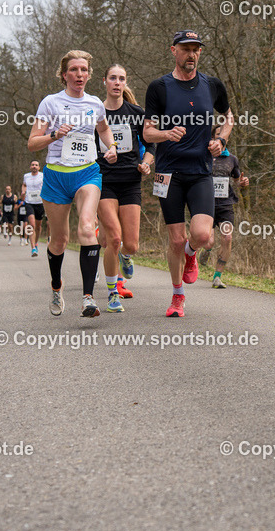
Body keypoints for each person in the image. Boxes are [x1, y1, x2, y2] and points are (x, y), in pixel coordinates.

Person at [142, 30, 233, 317]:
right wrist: (166, 133)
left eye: (196, 49)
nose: (191, 54)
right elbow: (147, 132)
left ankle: (191, 254)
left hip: (200, 171)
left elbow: (229, 118)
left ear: (200, 52)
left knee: (202, 234)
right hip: (168, 173)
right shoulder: (159, 87)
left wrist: (221, 141)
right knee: (175, 240)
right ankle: (177, 296)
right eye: (186, 49)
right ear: (174, 51)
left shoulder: (212, 85)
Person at [27, 50, 118, 317]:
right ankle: (57, 285)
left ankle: (88, 298)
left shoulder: (95, 104)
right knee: (59, 241)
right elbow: (32, 143)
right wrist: (54, 135)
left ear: (89, 75)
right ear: (64, 74)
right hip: (56, 176)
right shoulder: (50, 103)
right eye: (74, 70)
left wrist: (111, 146)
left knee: (87, 228)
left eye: (84, 70)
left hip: (87, 173)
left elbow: (103, 129)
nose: (79, 74)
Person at [96, 64, 154, 312]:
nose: (117, 82)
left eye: (121, 79)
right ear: (104, 81)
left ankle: (125, 255)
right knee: (114, 239)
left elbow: (151, 145)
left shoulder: (136, 113)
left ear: (125, 83)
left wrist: (146, 163)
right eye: (113, 78)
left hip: (131, 181)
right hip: (103, 181)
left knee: (131, 245)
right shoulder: (95, 112)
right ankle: (112, 293)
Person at [199, 126, 250, 288]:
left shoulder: (232, 159)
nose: (220, 138)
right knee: (208, 241)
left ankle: (217, 277)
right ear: (212, 138)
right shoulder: (203, 156)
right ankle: (206, 251)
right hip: (206, 204)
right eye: (217, 135)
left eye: (223, 136)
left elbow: (237, 180)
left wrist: (242, 183)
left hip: (225, 205)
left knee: (227, 237)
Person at [22, 160, 45, 257]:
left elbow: (47, 185)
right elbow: (24, 185)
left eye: (36, 165)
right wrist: (23, 192)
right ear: (30, 167)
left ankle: (36, 243)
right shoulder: (26, 176)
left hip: (40, 203)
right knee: (32, 224)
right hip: (29, 202)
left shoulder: (42, 175)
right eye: (32, 165)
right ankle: (33, 248)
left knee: (38, 227)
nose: (34, 166)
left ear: (39, 167)